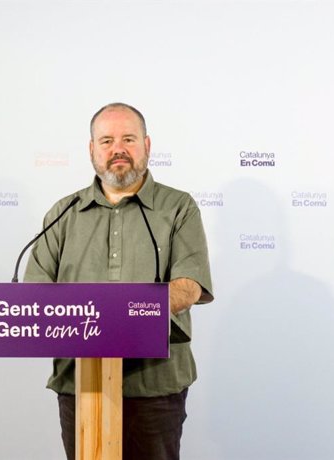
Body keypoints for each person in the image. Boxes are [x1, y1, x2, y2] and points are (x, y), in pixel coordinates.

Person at [24, 102, 214, 460]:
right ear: (91, 150)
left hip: (155, 386)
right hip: (79, 385)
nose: (118, 150)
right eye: (107, 141)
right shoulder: (63, 213)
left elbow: (189, 286)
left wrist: (117, 312)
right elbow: (35, 296)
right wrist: (108, 314)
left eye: (128, 139)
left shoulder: (179, 207)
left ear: (147, 145)